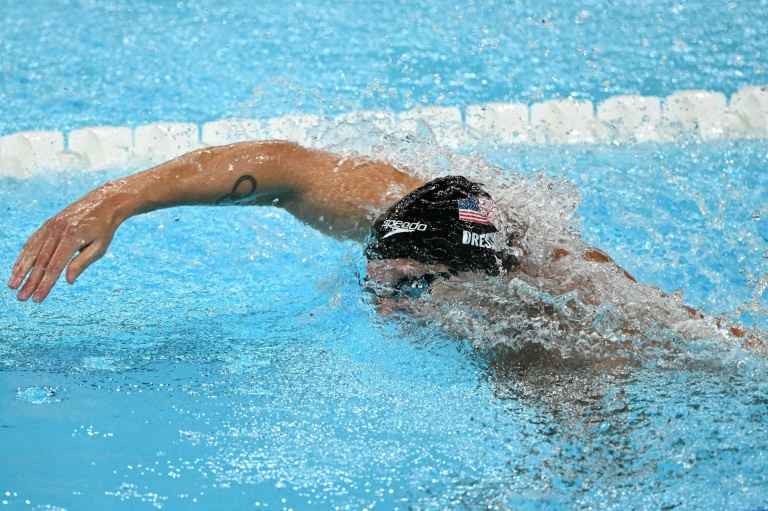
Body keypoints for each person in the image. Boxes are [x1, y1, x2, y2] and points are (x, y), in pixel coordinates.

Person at [6, 140, 757, 354]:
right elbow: (282, 168)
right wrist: (111, 203)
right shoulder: (398, 208)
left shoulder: (564, 307)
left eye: (409, 289)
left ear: (476, 280)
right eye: (376, 281)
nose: (384, 309)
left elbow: (713, 342)